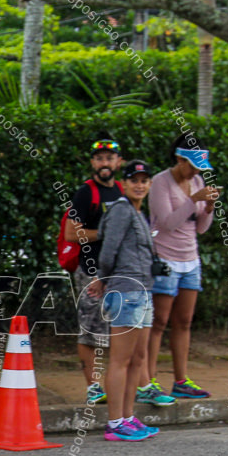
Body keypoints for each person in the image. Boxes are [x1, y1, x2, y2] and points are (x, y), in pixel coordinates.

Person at [89, 160, 161, 441]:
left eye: (144, 180)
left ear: (150, 184)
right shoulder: (120, 210)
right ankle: (115, 423)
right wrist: (103, 278)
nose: (140, 185)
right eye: (134, 180)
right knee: (120, 360)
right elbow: (108, 252)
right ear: (125, 183)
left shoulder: (138, 212)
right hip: (126, 291)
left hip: (143, 291)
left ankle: (129, 417)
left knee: (138, 358)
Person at [145, 134, 219, 399]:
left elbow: (200, 228)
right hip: (165, 258)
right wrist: (193, 199)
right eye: (191, 165)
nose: (196, 172)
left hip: (191, 260)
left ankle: (181, 380)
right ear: (178, 159)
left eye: (199, 167)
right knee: (159, 321)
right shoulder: (160, 183)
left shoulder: (196, 181)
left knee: (184, 322)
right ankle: (149, 381)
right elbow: (167, 223)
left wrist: (208, 207)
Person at [65, 137, 125, 404]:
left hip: (118, 273)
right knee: (89, 331)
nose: (105, 163)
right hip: (90, 272)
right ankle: (93, 387)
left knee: (119, 331)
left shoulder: (122, 191)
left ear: (118, 162)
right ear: (93, 162)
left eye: (109, 158)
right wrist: (105, 233)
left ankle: (118, 382)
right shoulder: (86, 192)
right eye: (99, 158)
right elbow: (69, 232)